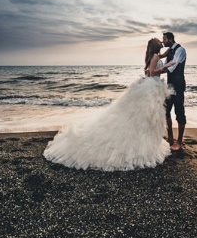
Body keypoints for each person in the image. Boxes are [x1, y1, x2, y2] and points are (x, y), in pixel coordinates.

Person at [43, 38, 174, 171]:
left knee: (142, 118)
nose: (161, 44)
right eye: (160, 42)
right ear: (156, 46)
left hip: (150, 87)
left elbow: (150, 69)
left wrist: (166, 56)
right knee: (146, 118)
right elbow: (152, 72)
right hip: (152, 88)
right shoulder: (155, 56)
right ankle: (143, 144)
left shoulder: (153, 55)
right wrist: (165, 67)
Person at [156, 32, 187, 151]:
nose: (163, 41)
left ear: (170, 39)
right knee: (166, 111)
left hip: (178, 86)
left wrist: (157, 71)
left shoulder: (181, 50)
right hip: (169, 86)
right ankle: (170, 138)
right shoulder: (169, 51)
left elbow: (172, 67)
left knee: (179, 113)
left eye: (164, 39)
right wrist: (156, 70)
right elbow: (165, 66)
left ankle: (179, 142)